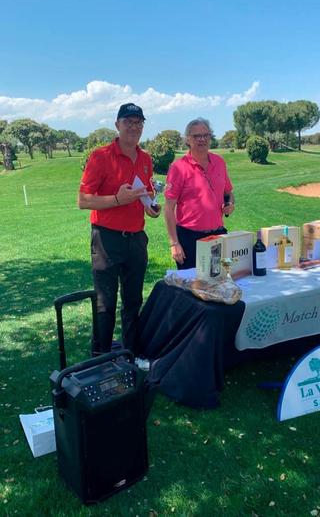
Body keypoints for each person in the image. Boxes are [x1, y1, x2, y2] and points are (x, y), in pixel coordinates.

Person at [78, 103, 160, 358]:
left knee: (133, 300)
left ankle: (130, 353)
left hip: (136, 238)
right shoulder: (100, 156)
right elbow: (83, 200)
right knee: (106, 302)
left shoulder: (146, 158)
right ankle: (100, 356)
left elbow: (144, 193)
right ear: (117, 125)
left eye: (139, 122)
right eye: (129, 122)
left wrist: (151, 207)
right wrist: (116, 199)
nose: (134, 127)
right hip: (107, 239)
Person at [164, 118, 234, 269]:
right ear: (188, 139)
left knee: (219, 282)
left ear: (210, 137)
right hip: (189, 238)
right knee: (192, 288)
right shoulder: (178, 168)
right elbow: (168, 208)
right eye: (196, 136)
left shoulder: (219, 162)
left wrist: (230, 204)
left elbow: (229, 192)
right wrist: (174, 243)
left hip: (217, 236)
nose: (202, 139)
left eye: (206, 135)